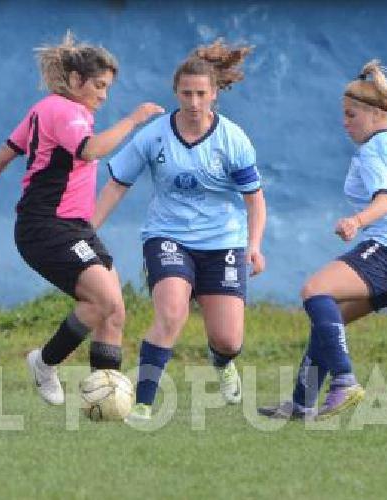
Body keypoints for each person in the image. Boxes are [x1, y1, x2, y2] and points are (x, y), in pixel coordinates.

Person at [0, 31, 164, 405]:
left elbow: (5, 153)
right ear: (76, 81)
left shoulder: (49, 110)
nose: (103, 96)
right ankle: (44, 363)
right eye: (99, 86)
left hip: (72, 227)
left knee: (114, 311)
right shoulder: (64, 110)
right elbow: (90, 152)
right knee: (103, 300)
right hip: (46, 226)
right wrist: (134, 119)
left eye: (108, 88)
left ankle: (102, 401)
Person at [258, 59, 387, 420]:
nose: (345, 122)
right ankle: (302, 404)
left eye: (351, 115)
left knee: (314, 291)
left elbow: (385, 200)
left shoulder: (375, 150)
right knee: (328, 320)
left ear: (372, 113)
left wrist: (356, 220)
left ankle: (344, 382)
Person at [91, 40, 266, 421]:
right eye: (186, 93)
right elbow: (117, 184)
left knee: (229, 339)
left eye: (201, 93)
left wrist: (253, 245)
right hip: (167, 237)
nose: (193, 101)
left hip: (223, 243)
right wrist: (88, 231)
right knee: (170, 315)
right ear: (176, 92)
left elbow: (255, 199)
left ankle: (222, 361)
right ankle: (142, 403)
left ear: (214, 94)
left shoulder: (232, 139)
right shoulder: (154, 136)